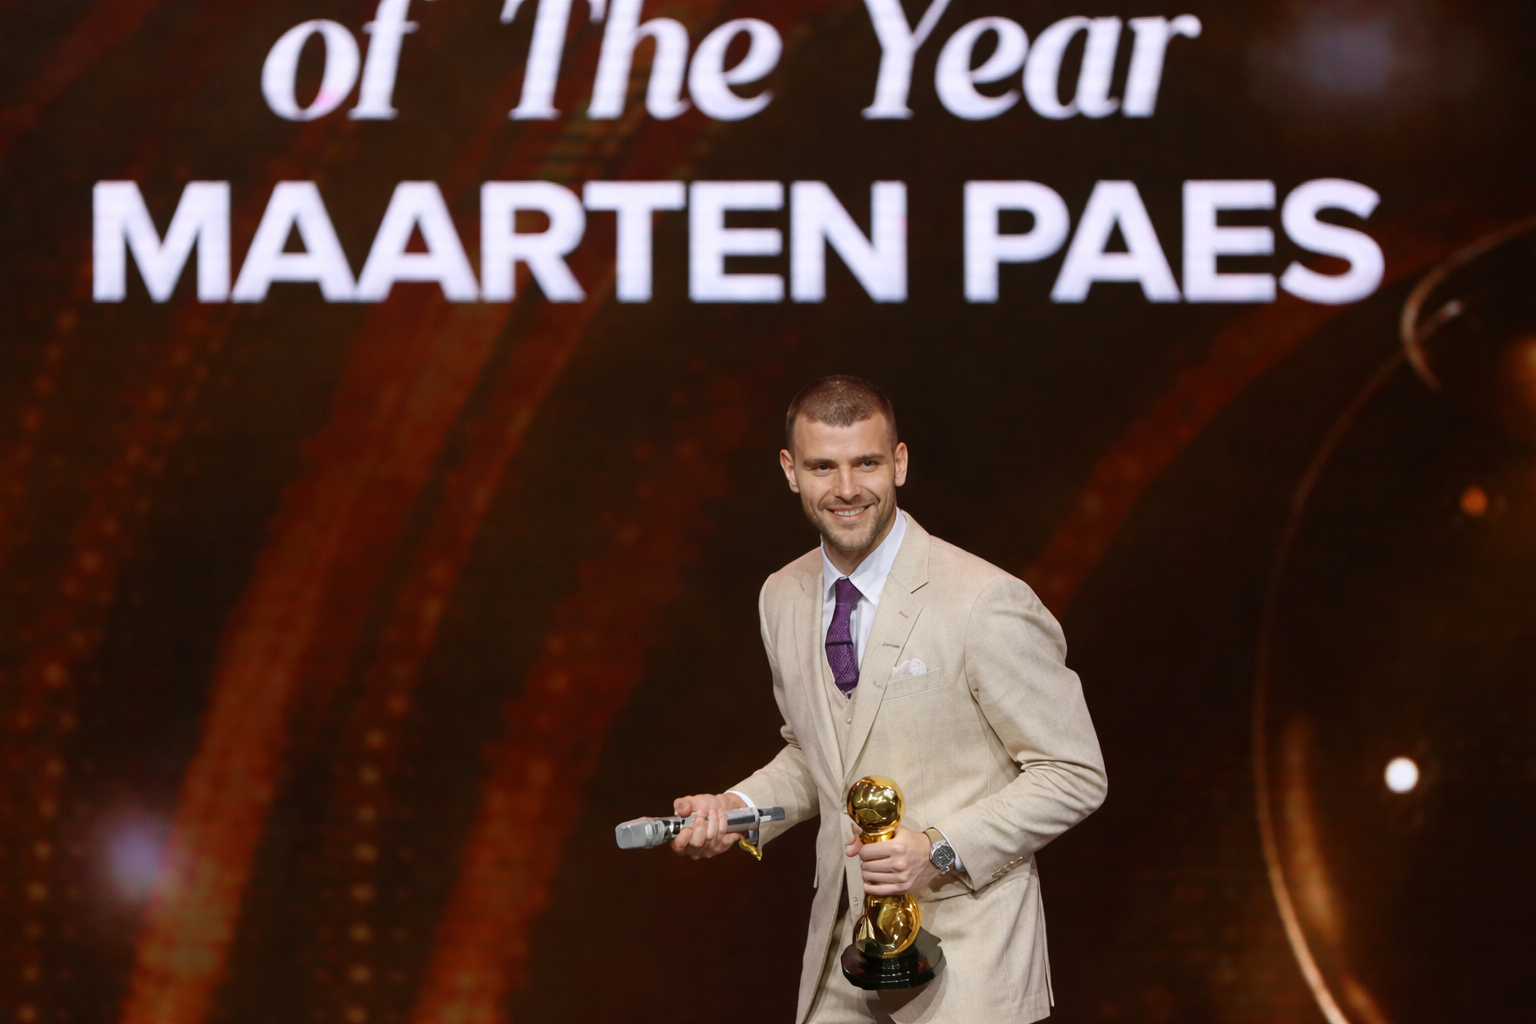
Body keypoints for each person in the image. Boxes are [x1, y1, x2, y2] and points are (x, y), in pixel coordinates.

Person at [671, 376, 1106, 1024]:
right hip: (841, 963)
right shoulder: (781, 596)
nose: (846, 489)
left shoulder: (984, 600)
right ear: (791, 471)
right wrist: (735, 811)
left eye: (866, 463)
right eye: (823, 466)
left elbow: (1074, 772)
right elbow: (817, 754)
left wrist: (936, 846)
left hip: (969, 971)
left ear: (899, 461)